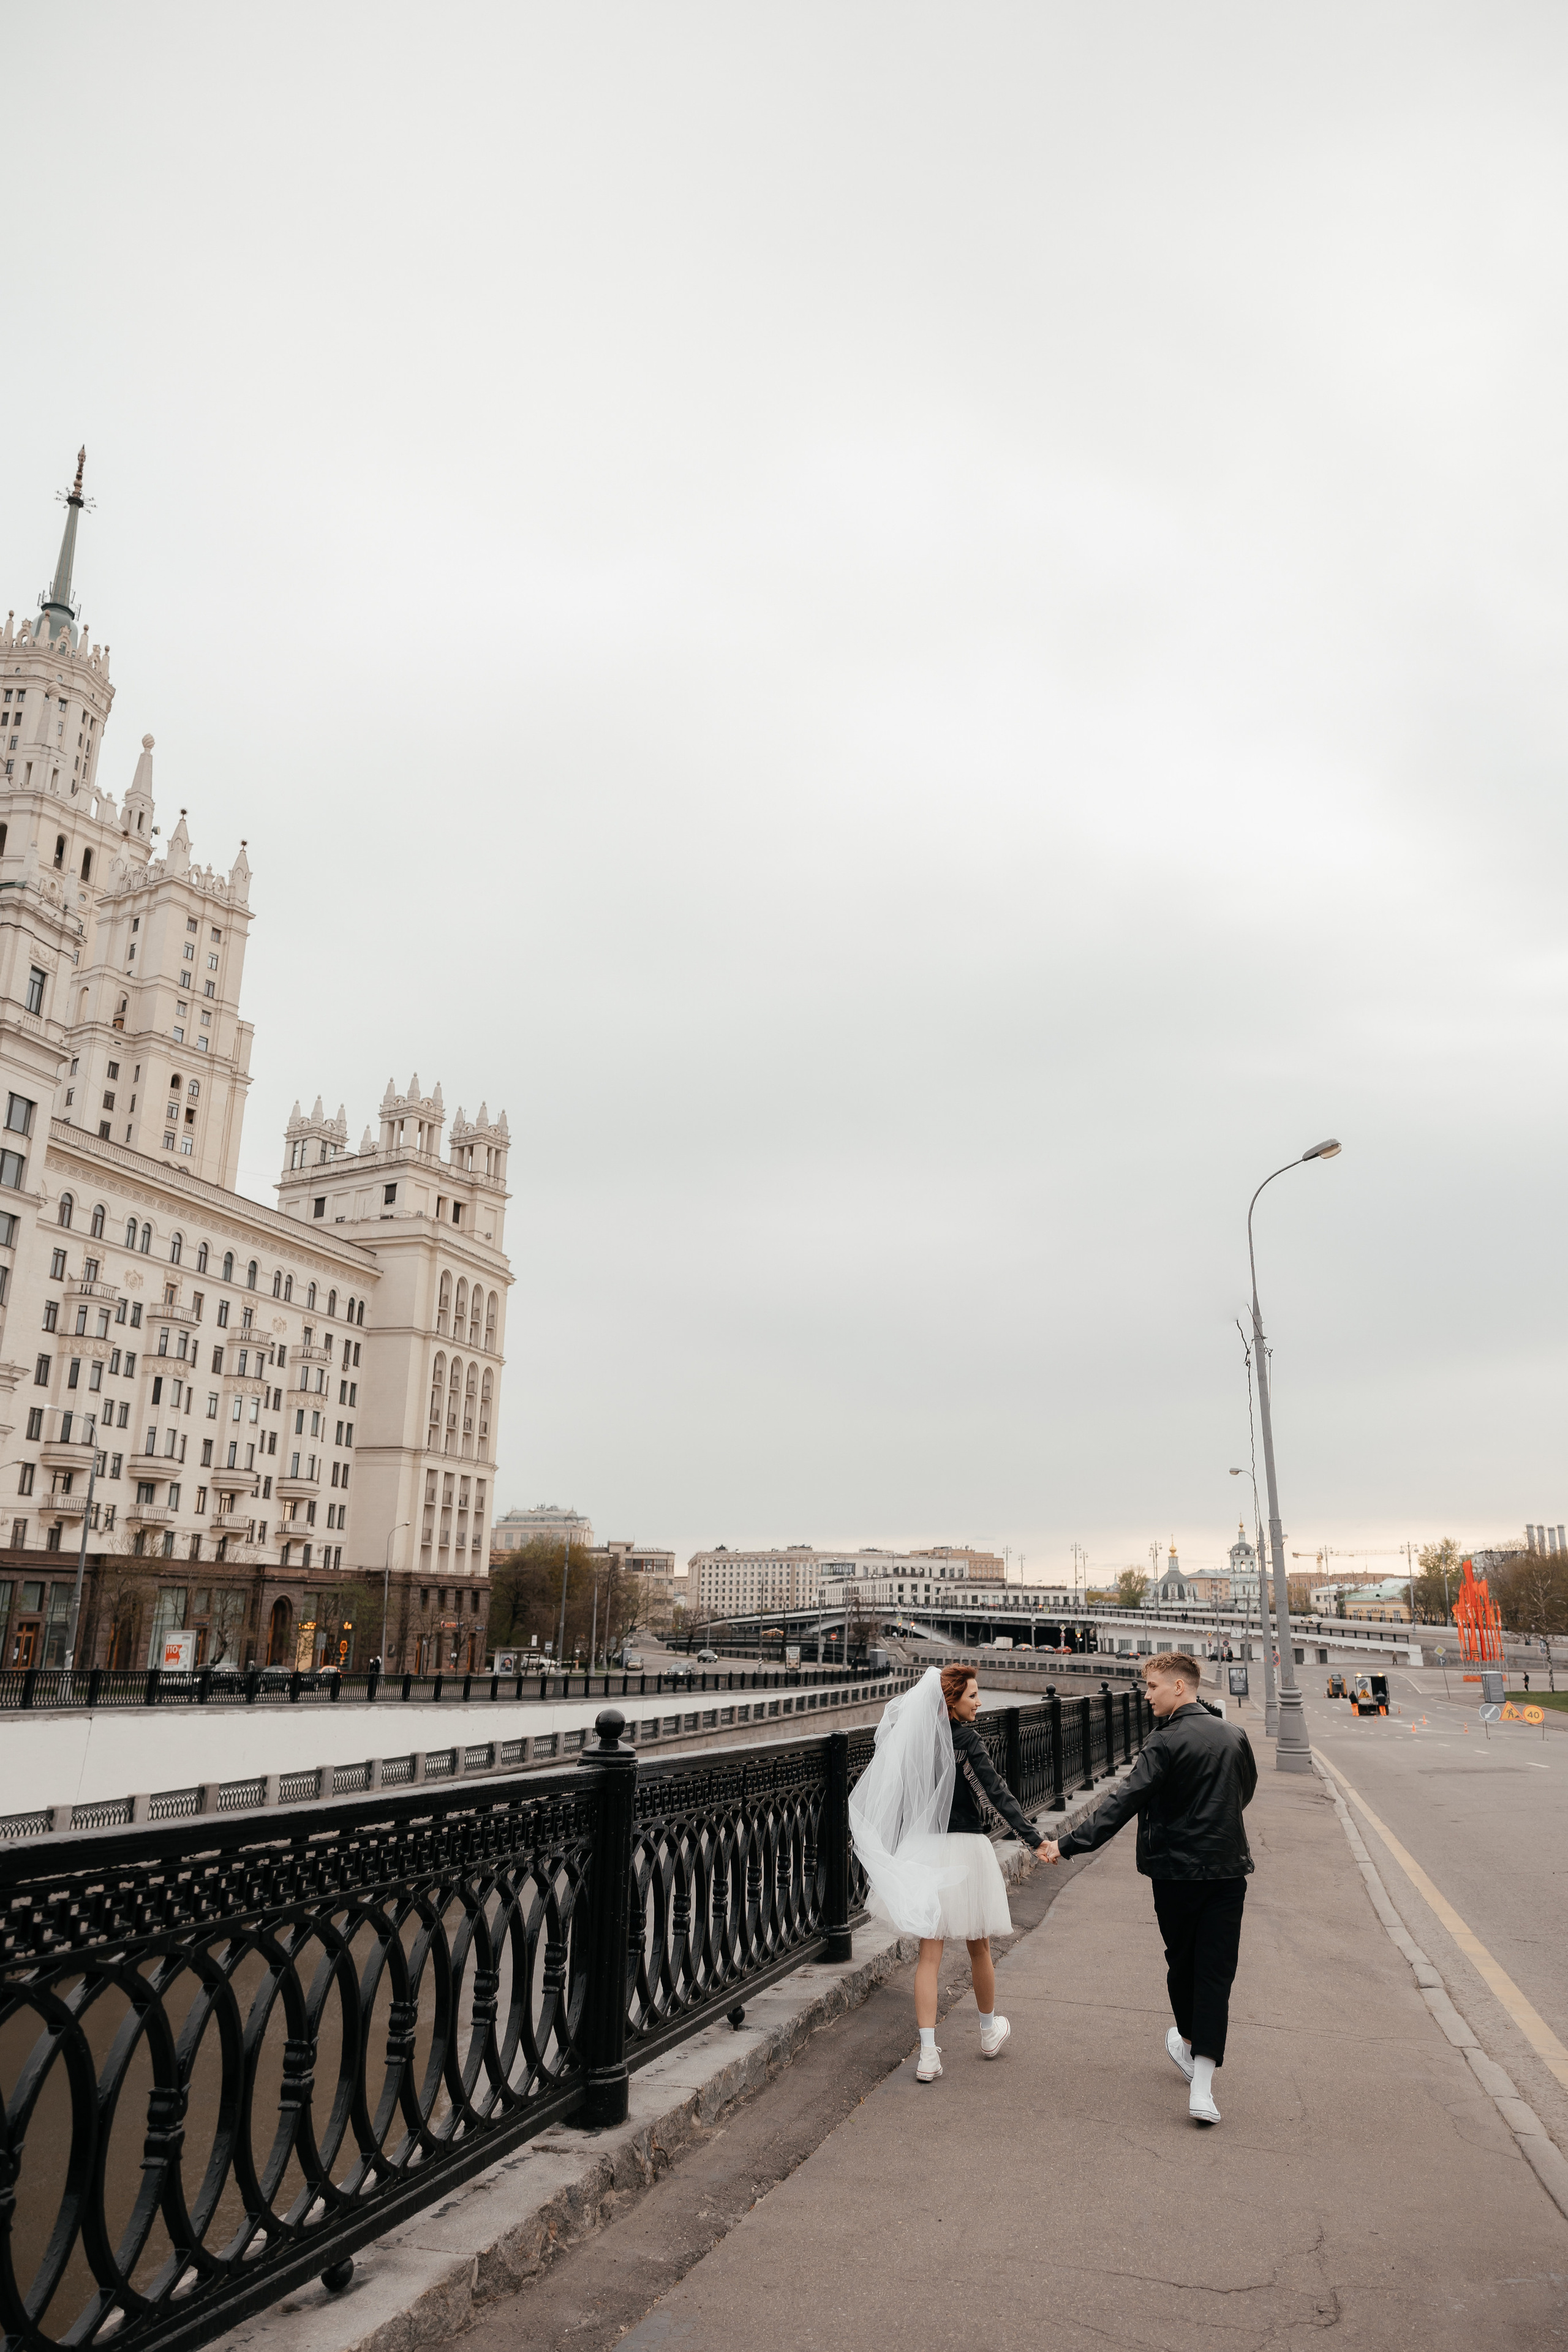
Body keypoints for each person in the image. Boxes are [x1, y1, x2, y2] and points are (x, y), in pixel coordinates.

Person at [1041, 1650, 1256, 2126]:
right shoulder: (1234, 1735)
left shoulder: (1163, 1743)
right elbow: (1244, 1791)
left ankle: (1189, 2049)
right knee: (1216, 1974)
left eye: (1153, 1687)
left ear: (1180, 1687)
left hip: (1175, 1873)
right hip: (1227, 1870)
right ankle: (1201, 2085)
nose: (1145, 1695)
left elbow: (1123, 1803)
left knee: (1183, 1966)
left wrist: (1068, 1844)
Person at [850, 1661, 1050, 2083]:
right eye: (973, 1696)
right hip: (964, 1852)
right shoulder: (967, 1742)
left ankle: (927, 2054)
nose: (980, 1703)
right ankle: (988, 2030)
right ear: (951, 1701)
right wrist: (1035, 1841)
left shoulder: (917, 1744)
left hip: (924, 1851)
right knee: (979, 1946)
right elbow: (997, 1794)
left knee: (929, 1954)